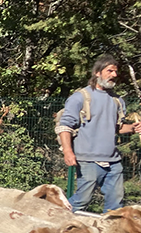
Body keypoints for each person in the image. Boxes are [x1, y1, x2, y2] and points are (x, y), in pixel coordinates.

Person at [57, 54, 141, 213]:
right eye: (110, 71)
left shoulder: (117, 101)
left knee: (115, 205)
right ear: (97, 72)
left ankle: (110, 228)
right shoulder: (80, 97)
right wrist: (68, 151)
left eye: (115, 72)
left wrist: (132, 128)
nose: (114, 75)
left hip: (113, 161)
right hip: (88, 159)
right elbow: (65, 126)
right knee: (81, 200)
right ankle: (56, 220)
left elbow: (116, 128)